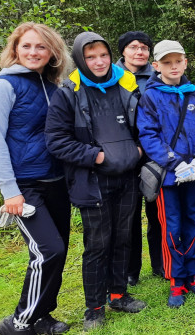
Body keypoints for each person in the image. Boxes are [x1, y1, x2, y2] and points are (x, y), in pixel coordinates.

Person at [45, 32, 147, 330]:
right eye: (91, 57)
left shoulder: (126, 84)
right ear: (80, 59)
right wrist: (97, 157)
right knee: (98, 244)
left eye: (103, 55)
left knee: (123, 237)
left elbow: (144, 125)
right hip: (91, 181)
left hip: (128, 177)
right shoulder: (69, 92)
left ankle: (118, 294)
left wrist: (138, 150)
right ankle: (94, 308)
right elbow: (56, 140)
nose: (99, 62)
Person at [0, 23, 71, 335]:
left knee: (59, 250)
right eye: (26, 46)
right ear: (15, 50)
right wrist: (9, 191)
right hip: (25, 186)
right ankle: (18, 322)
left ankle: (42, 317)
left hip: (57, 182)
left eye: (41, 46)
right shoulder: (4, 86)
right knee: (47, 250)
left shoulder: (53, 86)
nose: (33, 52)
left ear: (52, 51)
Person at [137, 40, 195, 308]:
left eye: (177, 61)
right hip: (169, 177)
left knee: (194, 221)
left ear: (185, 62)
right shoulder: (150, 96)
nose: (173, 67)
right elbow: (148, 134)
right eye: (166, 62)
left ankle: (194, 274)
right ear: (156, 66)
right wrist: (174, 162)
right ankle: (176, 278)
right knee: (171, 226)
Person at [116, 30, 164, 284]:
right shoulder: (110, 77)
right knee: (128, 215)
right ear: (123, 51)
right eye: (134, 47)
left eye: (144, 47)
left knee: (157, 211)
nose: (139, 52)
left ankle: (160, 263)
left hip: (153, 152)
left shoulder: (158, 77)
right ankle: (131, 270)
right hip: (122, 154)